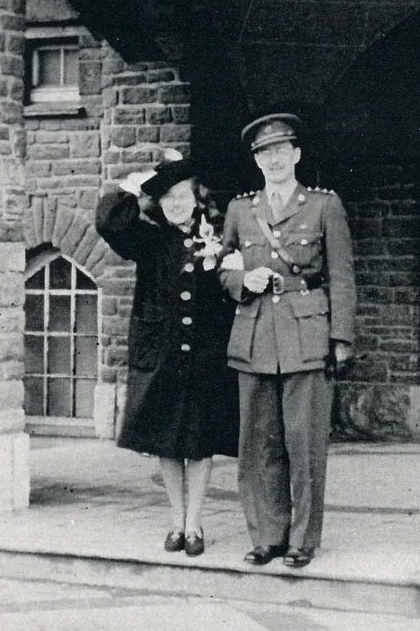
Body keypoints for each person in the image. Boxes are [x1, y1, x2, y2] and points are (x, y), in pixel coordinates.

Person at [218, 112, 356, 568]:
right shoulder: (241, 209)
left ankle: (302, 539)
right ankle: (267, 536)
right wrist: (242, 278)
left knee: (305, 444)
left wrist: (341, 339)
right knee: (259, 444)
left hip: (305, 333)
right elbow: (221, 266)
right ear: (256, 161)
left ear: (296, 155)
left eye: (280, 151)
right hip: (255, 335)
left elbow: (341, 276)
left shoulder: (323, 205)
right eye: (264, 153)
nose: (273, 160)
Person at [95, 152, 239, 558]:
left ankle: (195, 524)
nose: (176, 203)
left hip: (207, 354)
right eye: (167, 198)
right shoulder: (150, 238)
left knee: (200, 439)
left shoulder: (218, 236)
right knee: (167, 442)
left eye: (182, 195)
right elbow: (109, 221)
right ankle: (175, 522)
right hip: (161, 353)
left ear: (196, 198)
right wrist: (135, 190)